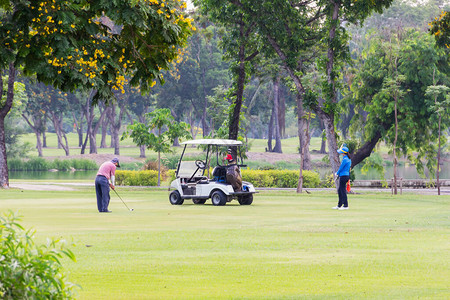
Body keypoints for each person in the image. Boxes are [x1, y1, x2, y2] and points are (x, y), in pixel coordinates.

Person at [333, 146, 351, 210]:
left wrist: (337, 173)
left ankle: (345, 205)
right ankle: (339, 205)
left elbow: (341, 168)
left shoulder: (345, 160)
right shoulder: (347, 159)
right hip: (345, 176)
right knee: (340, 190)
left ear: (343, 153)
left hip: (344, 176)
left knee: (342, 191)